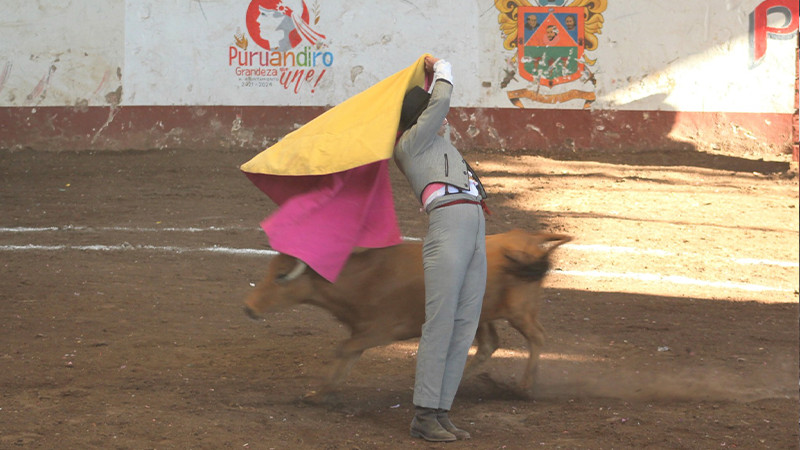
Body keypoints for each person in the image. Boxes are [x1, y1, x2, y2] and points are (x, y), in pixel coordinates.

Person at [393, 55, 488, 442]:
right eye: (431, 114)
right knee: (442, 322)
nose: (443, 120)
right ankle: (424, 414)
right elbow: (442, 103)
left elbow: (438, 105)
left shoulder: (432, 140)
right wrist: (444, 67)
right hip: (449, 226)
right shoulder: (410, 144)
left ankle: (441, 410)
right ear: (421, 120)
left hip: (473, 226)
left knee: (465, 323)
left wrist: (430, 79)